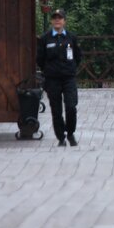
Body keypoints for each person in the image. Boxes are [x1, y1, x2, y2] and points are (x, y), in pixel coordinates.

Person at [36, 9, 82, 146]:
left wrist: (72, 68)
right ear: (51, 21)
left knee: (71, 106)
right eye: (55, 18)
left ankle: (71, 133)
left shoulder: (71, 38)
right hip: (52, 79)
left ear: (64, 21)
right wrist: (48, 71)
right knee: (56, 110)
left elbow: (78, 56)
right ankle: (61, 137)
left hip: (68, 78)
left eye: (60, 18)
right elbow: (40, 59)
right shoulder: (46, 38)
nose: (57, 20)